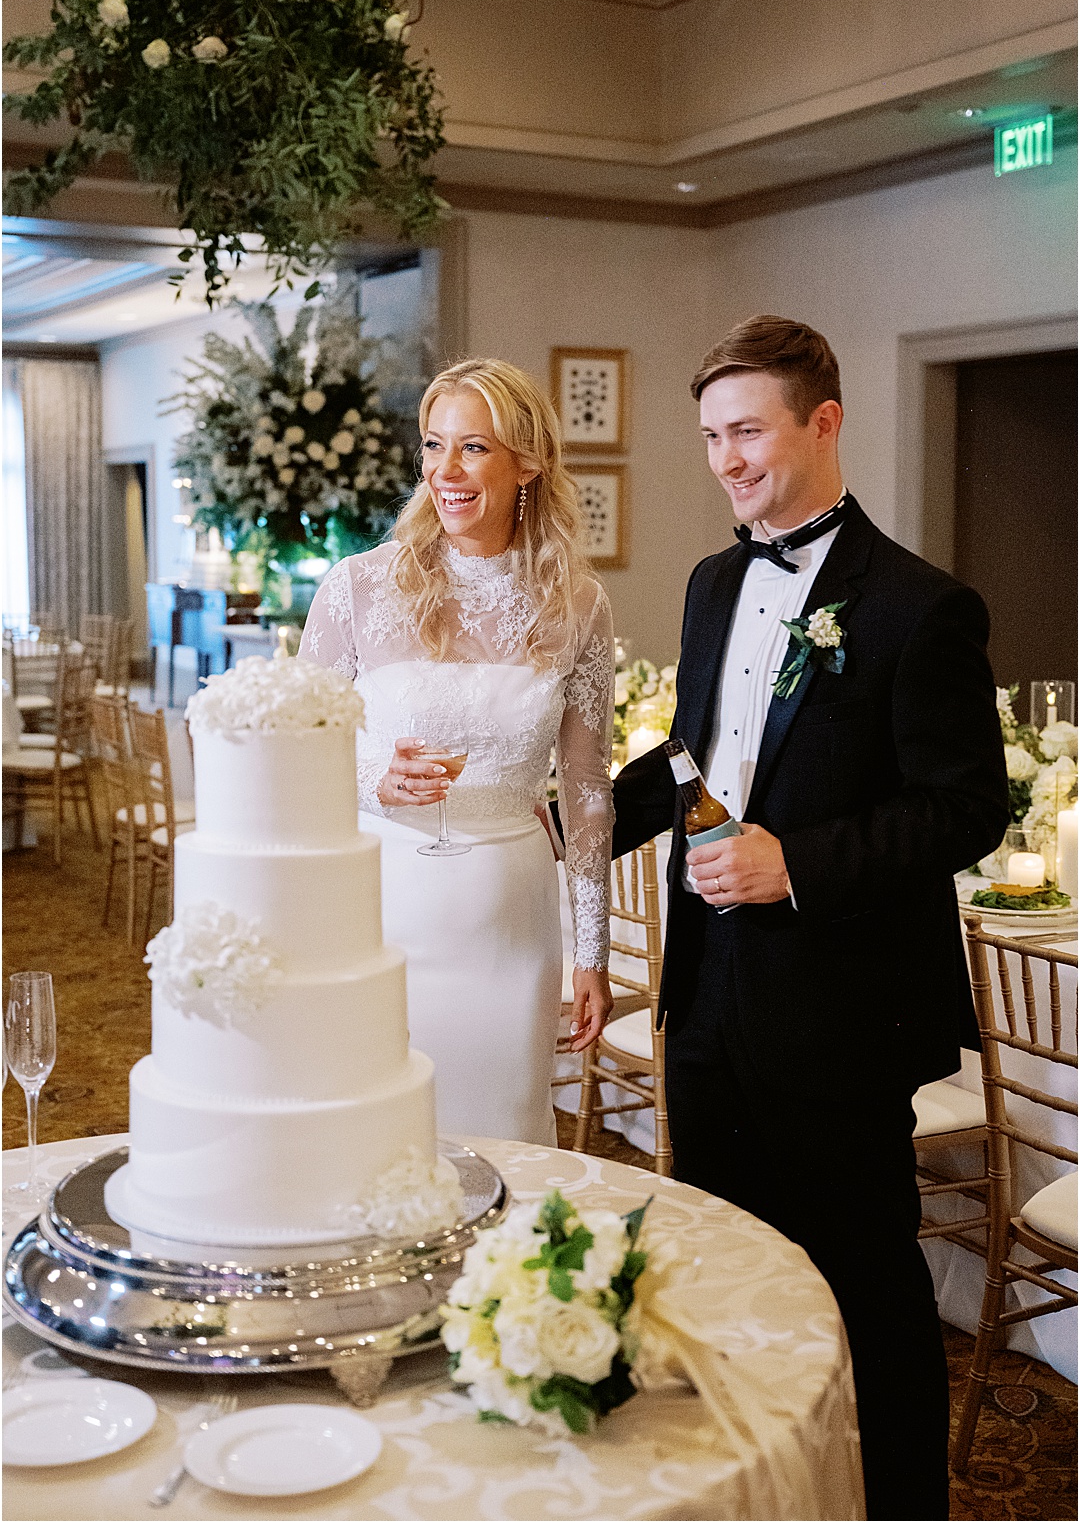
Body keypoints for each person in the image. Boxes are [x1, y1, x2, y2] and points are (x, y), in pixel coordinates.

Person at [594, 317, 1008, 1520]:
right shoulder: (715, 581)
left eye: (748, 430)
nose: (726, 459)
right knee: (724, 1270)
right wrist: (571, 822)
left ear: (822, 422)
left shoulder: (923, 609)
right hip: (709, 990)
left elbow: (967, 807)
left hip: (842, 1008)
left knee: (865, 1289)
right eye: (712, 436)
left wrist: (801, 863)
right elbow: (699, 755)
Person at [300, 358, 614, 1145]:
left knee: (504, 1131)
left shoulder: (579, 602)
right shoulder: (357, 586)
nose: (446, 470)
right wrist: (374, 776)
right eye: (434, 446)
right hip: (382, 908)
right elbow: (296, 749)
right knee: (378, 1133)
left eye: (473, 448)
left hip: (510, 920)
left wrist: (592, 951)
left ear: (529, 462)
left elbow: (585, 787)